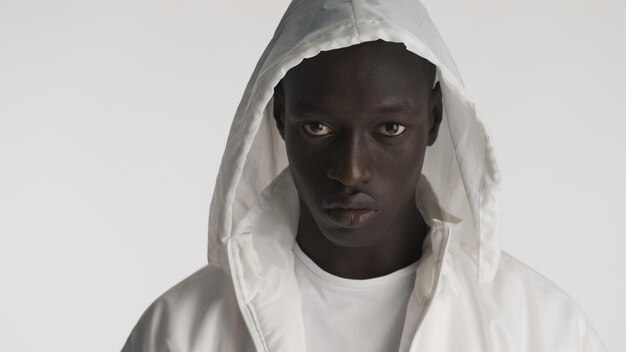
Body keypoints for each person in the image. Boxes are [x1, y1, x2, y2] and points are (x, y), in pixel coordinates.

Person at [121, 0, 607, 351]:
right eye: (318, 127)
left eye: (390, 128)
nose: (351, 170)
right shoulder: (181, 331)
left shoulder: (539, 330)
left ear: (435, 118)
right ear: (279, 115)